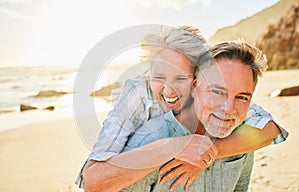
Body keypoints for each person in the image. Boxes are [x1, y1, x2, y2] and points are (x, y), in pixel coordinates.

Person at [77, 26, 288, 191]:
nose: (169, 92)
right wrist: (173, 147)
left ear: (196, 79)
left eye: (180, 78)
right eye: (159, 76)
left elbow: (271, 129)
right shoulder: (139, 101)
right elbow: (93, 181)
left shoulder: (231, 112)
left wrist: (207, 153)